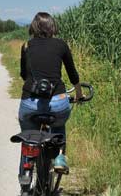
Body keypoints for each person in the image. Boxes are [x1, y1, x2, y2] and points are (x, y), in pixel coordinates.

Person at [18, 12, 83, 174]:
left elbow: (24, 75)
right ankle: (59, 157)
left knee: (28, 136)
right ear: (52, 26)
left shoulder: (26, 46)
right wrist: (79, 94)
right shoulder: (61, 45)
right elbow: (73, 75)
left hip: (30, 103)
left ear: (33, 27)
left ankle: (25, 170)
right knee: (58, 125)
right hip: (57, 101)